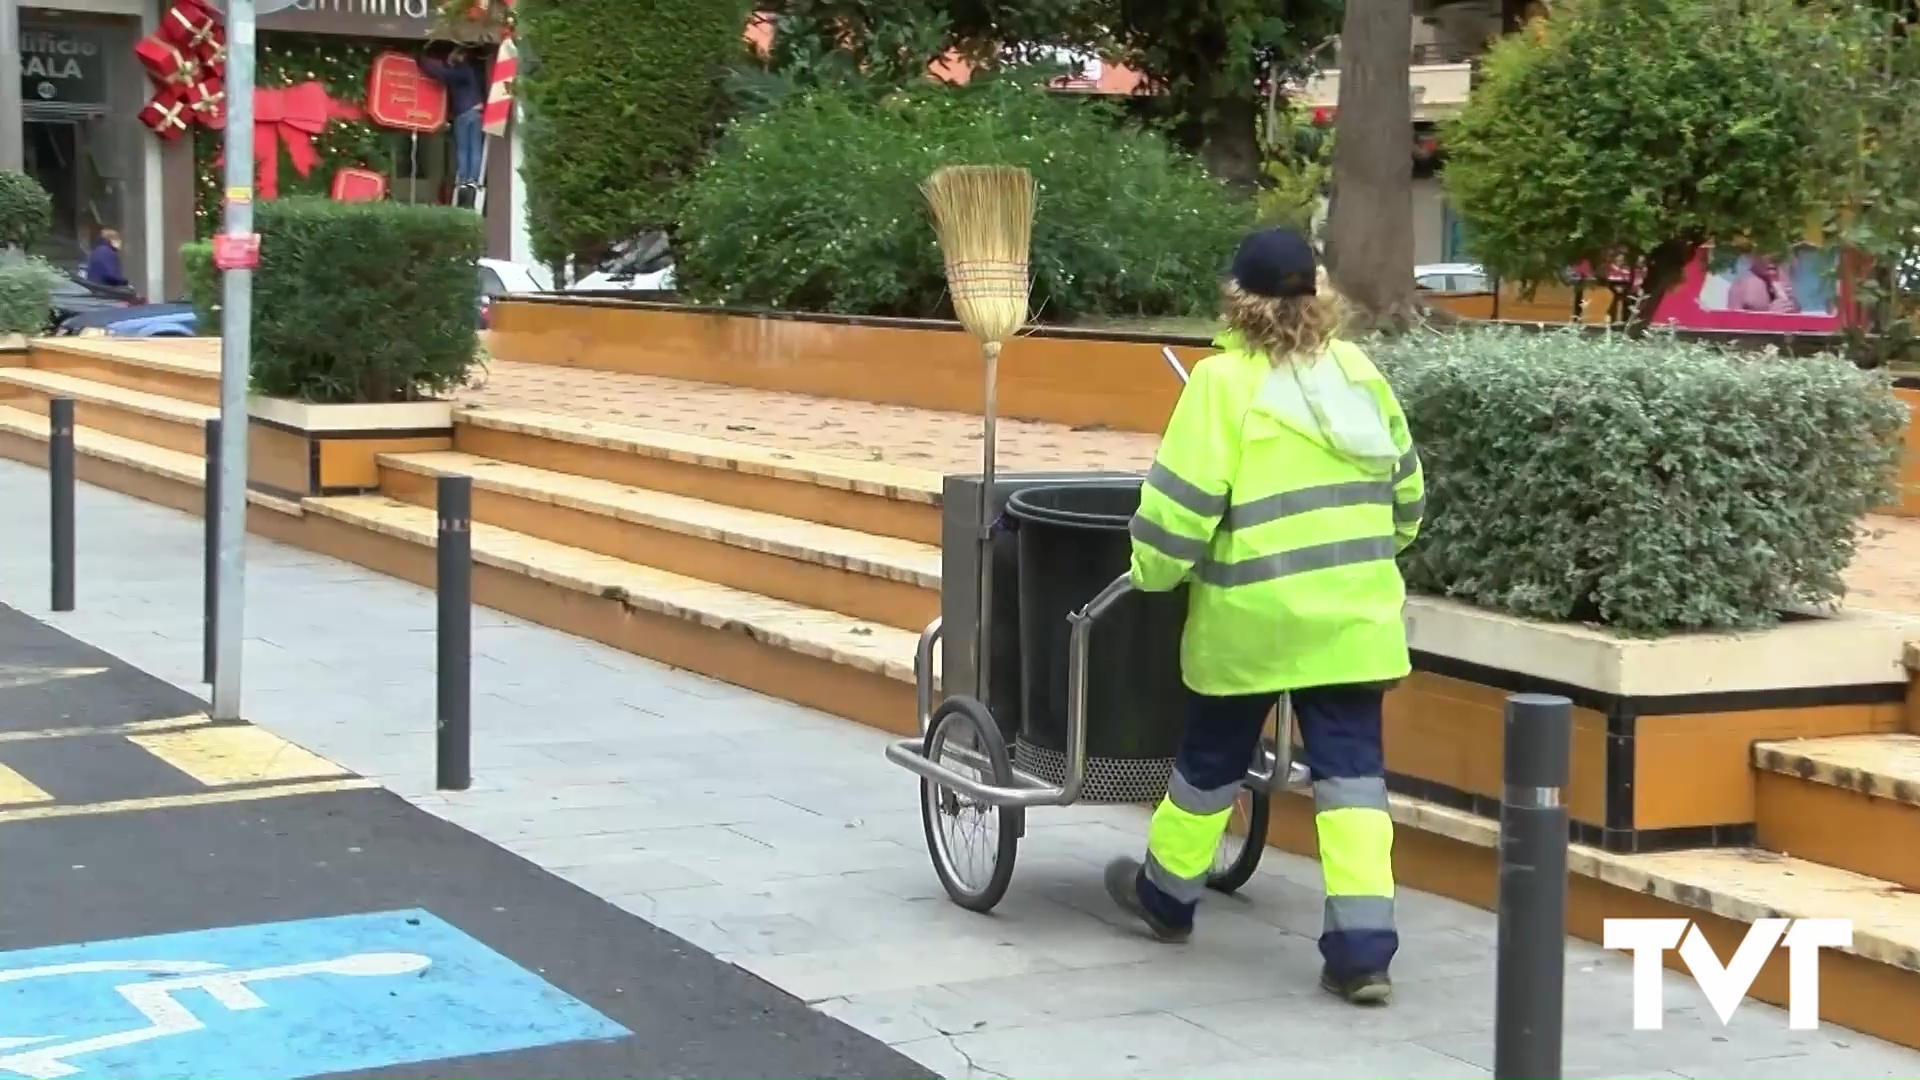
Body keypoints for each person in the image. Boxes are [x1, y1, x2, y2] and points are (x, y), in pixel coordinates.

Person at [1104, 227, 1424, 1006]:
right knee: (1352, 783)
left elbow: (1179, 511)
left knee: (1210, 761)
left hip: (1252, 620)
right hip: (1351, 623)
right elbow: (1407, 499)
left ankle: (1169, 897)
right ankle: (1362, 952)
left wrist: (1149, 572)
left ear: (1239, 302)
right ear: (1319, 298)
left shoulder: (1221, 386)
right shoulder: (1357, 375)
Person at [420, 46, 486, 189]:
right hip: (477, 111)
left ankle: (463, 179)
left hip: (464, 111)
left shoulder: (461, 70)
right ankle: (473, 179)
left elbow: (443, 74)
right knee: (474, 147)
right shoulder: (473, 70)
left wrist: (423, 62)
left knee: (463, 148)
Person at [1726, 255, 1800, 314]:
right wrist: (1769, 315)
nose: (1772, 257)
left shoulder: (1783, 278)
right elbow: (1732, 327)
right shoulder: (1742, 286)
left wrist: (1793, 306)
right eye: (1764, 252)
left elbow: (1797, 312)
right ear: (1751, 256)